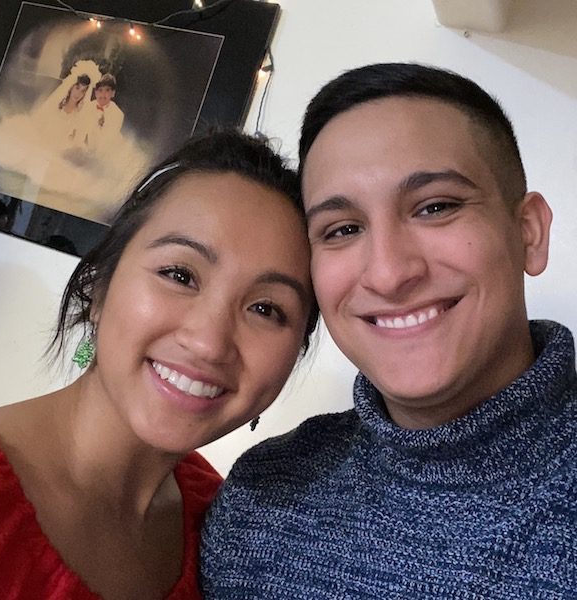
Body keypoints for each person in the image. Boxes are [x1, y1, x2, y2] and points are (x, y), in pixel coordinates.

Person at [201, 64, 577, 597]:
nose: (389, 273)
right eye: (343, 229)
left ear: (529, 233)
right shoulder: (263, 495)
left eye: (436, 207)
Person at [0, 129, 318, 599]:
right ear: (98, 288)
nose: (208, 343)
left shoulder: (233, 532)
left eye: (267, 309)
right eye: (179, 275)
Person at [83, 73, 125, 156]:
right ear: (95, 93)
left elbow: (108, 139)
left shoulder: (117, 114)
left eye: (107, 90)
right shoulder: (88, 107)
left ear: (113, 93)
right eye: (100, 90)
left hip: (107, 152)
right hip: (86, 149)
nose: (103, 94)